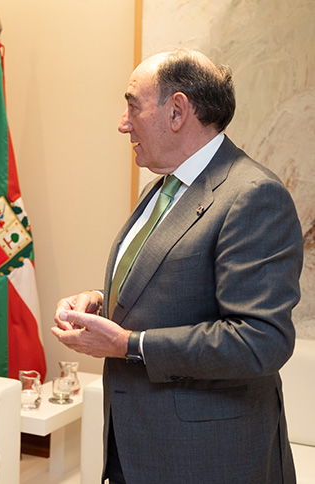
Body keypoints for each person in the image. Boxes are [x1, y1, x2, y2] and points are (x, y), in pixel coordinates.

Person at [53, 48, 303, 484]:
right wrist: (101, 300)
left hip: (209, 459)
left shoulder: (252, 195)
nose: (123, 122)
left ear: (177, 110)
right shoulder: (164, 187)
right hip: (139, 446)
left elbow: (260, 340)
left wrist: (131, 343)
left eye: (132, 105)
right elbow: (169, 285)